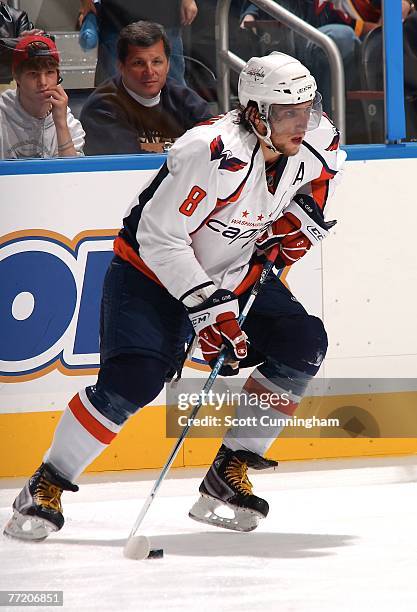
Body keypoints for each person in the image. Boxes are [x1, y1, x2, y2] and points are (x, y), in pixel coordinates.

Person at [4, 52, 345, 540]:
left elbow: (326, 171)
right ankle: (47, 481)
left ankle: (228, 474)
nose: (301, 122)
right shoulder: (208, 151)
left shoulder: (314, 132)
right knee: (135, 380)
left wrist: (305, 214)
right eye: (286, 112)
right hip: (149, 274)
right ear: (254, 112)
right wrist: (209, 310)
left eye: (306, 109)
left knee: (302, 341)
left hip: (233, 270)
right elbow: (159, 238)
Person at [79, 21, 211, 155]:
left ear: (168, 65)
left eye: (157, 62)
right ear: (121, 66)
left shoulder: (185, 99)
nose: (149, 71)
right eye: (139, 63)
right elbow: (129, 164)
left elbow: (216, 142)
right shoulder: (101, 109)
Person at [240, 0, 376, 114]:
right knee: (340, 37)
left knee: (348, 40)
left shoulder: (325, 6)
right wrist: (250, 15)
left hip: (319, 74)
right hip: (289, 68)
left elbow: (356, 26)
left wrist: (389, 28)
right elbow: (258, 8)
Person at [0, 35, 84, 159]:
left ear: (57, 76)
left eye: (49, 72)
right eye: (33, 73)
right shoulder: (2, 114)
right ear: (17, 76)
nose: (43, 82)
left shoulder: (69, 123)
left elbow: (73, 175)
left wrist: (61, 124)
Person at [78, 0, 198, 86]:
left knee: (174, 90)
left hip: (164, 17)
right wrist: (86, 2)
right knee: (111, 93)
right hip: (116, 20)